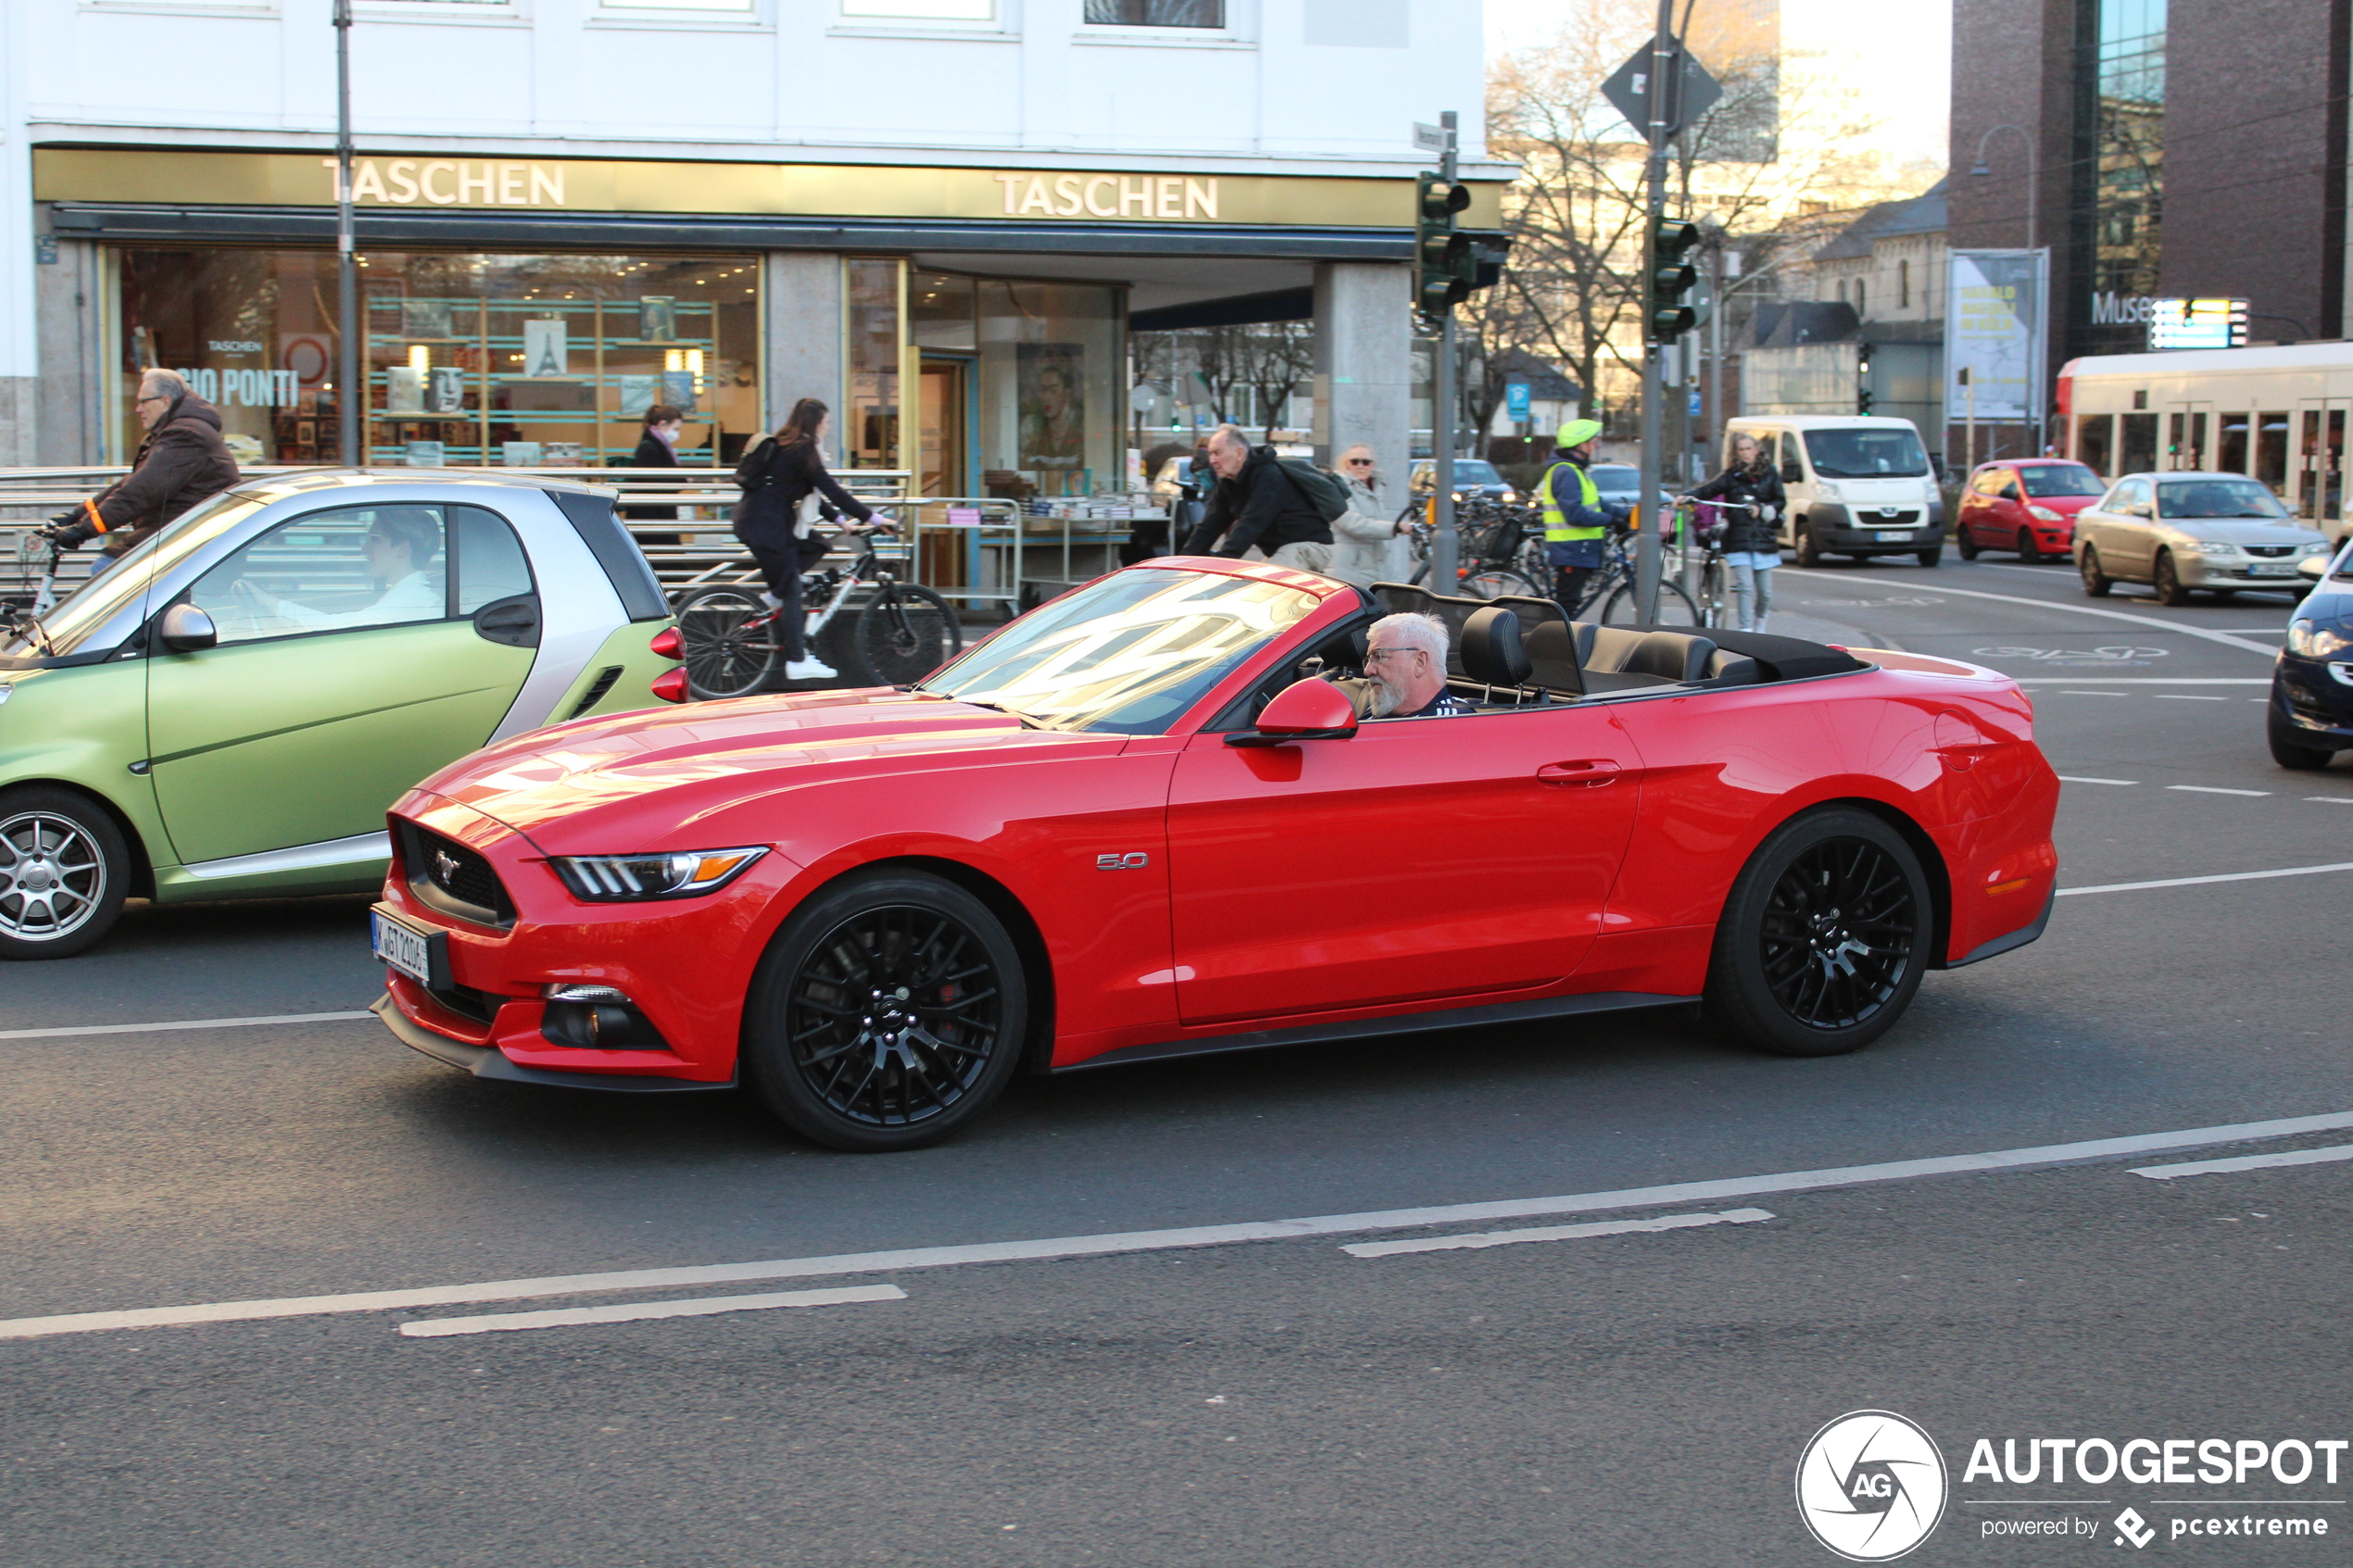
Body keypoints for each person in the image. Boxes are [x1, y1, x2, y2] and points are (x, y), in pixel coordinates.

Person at [733, 397, 885, 683]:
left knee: (818, 544)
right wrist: (875, 518)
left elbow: (813, 492)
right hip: (765, 525)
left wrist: (842, 523)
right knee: (792, 590)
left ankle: (774, 596)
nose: (828, 427)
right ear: (816, 423)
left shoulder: (789, 445)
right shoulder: (802, 450)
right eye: (826, 422)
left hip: (762, 522)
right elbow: (832, 490)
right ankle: (797, 660)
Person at [40, 369, 240, 576]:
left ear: (164, 401)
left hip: (192, 539)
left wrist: (85, 530)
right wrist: (77, 516)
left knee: (106, 568)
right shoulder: (177, 430)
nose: (138, 409)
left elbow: (143, 490)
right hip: (181, 532)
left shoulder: (186, 435)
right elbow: (132, 483)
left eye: (144, 401)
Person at [229, 508, 445, 632]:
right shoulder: (407, 594)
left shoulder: (412, 599)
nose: (364, 549)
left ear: (402, 548)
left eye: (374, 541)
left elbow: (334, 628)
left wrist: (267, 600)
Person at [1177, 424, 1333, 566]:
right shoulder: (1228, 482)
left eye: (1217, 453)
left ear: (1239, 453)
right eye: (1210, 454)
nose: (1212, 460)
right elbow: (1209, 527)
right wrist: (1182, 563)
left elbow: (1251, 523)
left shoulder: (1269, 476)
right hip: (1284, 552)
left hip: (1311, 547)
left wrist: (1222, 563)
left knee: (1270, 585)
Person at [1686, 431, 1788, 632]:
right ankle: (1746, 630)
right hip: (1738, 539)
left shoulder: (1771, 472)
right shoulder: (1732, 475)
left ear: (1757, 450)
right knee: (1745, 587)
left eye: (1748, 449)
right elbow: (1710, 489)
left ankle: (1761, 625)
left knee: (1765, 592)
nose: (1745, 453)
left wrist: (1765, 509)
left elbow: (1780, 500)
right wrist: (1687, 496)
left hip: (1764, 538)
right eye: (1741, 449)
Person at [1536, 420, 1626, 613]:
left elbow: (1598, 504)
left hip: (1580, 549)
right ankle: (1555, 642)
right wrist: (1611, 520)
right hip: (1571, 550)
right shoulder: (1566, 472)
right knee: (1566, 609)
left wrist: (1627, 515)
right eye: (1594, 442)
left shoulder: (1577, 471)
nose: (1596, 446)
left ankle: (1559, 640)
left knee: (1568, 606)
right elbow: (1574, 514)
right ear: (1581, 444)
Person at [1326, 444, 1410, 588]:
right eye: (1354, 461)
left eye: (1365, 462)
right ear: (1347, 464)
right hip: (1349, 567)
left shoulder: (1376, 488)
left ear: (1373, 465)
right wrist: (1394, 528)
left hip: (1375, 563)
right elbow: (1352, 523)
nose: (1360, 466)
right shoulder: (1338, 488)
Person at [1362, 612, 1476, 719]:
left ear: (1420, 662)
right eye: (1369, 660)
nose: (1367, 670)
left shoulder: (1450, 727)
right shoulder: (1375, 714)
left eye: (1380, 657)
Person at [622, 403, 686, 538]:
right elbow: (653, 482)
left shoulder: (654, 445)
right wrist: (682, 479)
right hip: (653, 514)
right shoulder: (651, 448)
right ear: (663, 425)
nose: (677, 434)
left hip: (654, 512)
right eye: (675, 429)